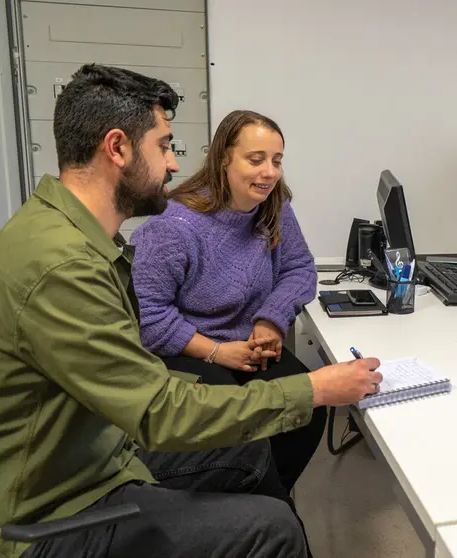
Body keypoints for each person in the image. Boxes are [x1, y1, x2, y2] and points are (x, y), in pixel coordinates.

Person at [0, 64, 382, 558]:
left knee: (255, 452)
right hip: (46, 509)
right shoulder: (62, 266)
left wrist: (269, 326)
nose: (173, 164)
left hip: (89, 453)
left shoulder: (65, 234)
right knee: (272, 526)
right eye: (164, 145)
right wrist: (314, 387)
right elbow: (156, 410)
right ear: (118, 148)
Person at [129, 110, 324, 530]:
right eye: (256, 160)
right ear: (223, 159)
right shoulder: (173, 226)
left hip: (247, 345)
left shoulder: (273, 206)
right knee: (235, 431)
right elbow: (148, 318)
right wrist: (218, 352)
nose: (269, 172)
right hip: (187, 350)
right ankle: (269, 521)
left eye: (277, 160)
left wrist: (269, 322)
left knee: (309, 407)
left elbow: (300, 269)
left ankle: (268, 498)